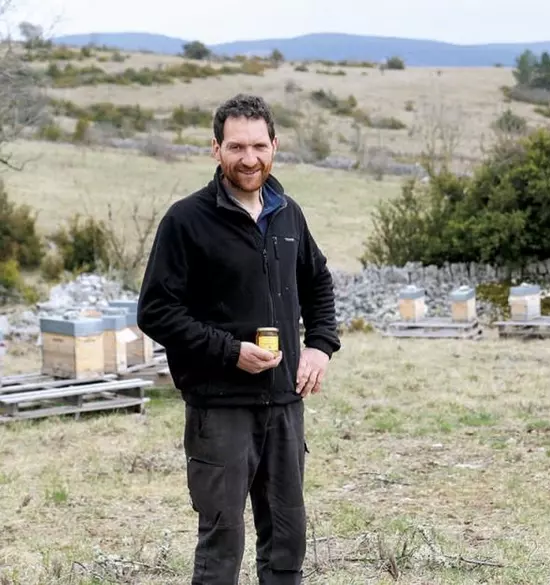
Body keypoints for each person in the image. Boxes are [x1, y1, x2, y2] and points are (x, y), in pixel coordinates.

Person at [136, 94, 341, 585]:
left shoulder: (288, 213)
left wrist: (319, 344)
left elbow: (318, 282)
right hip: (219, 406)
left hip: (284, 404)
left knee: (288, 537)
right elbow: (156, 311)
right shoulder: (186, 221)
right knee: (222, 541)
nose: (248, 159)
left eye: (258, 146)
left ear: (275, 145)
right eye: (235, 147)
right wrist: (230, 351)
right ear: (216, 150)